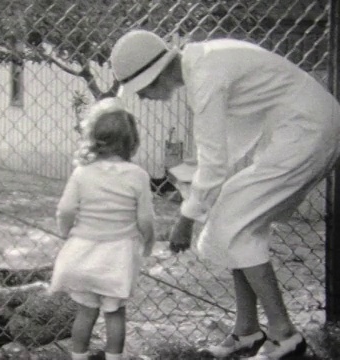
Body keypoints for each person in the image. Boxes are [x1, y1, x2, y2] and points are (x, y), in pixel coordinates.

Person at [110, 29, 340, 359]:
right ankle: (247, 332)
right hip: (303, 127)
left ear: (155, 74)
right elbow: (232, 140)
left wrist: (186, 218)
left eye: (140, 89)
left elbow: (215, 161)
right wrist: (198, 189)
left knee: (234, 221)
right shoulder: (205, 60)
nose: (142, 98)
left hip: (307, 131)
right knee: (234, 219)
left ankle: (285, 336)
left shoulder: (205, 77)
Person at [49, 97, 156, 360]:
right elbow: (145, 219)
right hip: (117, 257)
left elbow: (65, 209)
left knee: (85, 311)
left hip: (83, 253)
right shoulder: (138, 175)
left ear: (93, 137)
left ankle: (78, 357)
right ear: (132, 141)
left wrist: (65, 232)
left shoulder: (83, 173)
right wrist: (149, 242)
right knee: (114, 313)